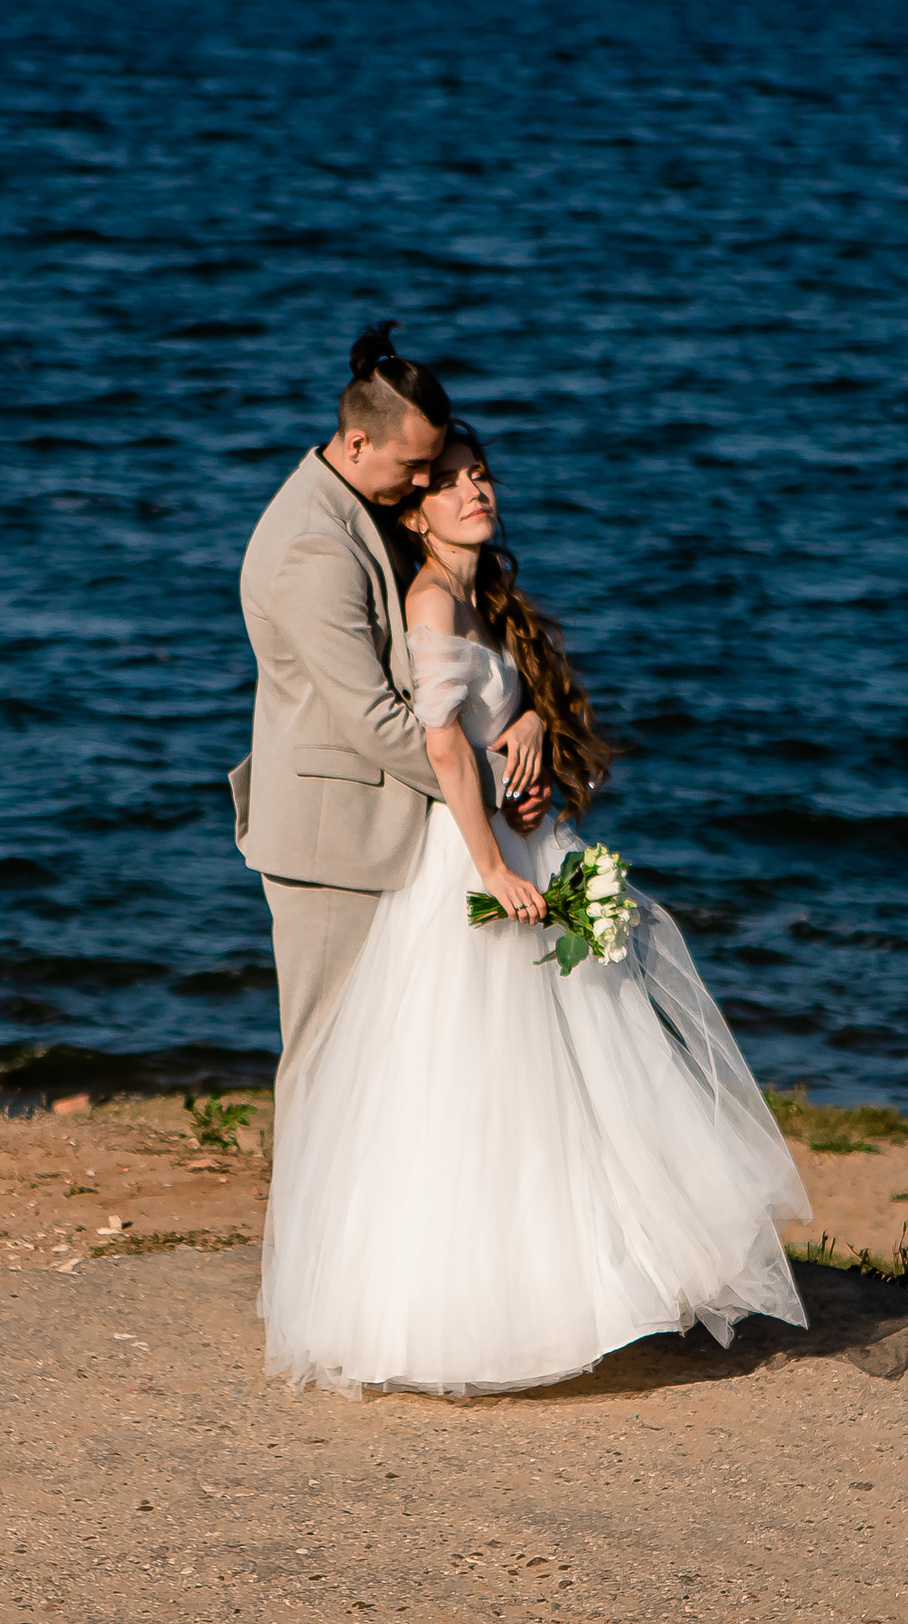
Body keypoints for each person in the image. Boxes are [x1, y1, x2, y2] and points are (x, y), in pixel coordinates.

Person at [256, 419, 810, 1397]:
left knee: (565, 1073)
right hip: (470, 860)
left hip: (507, 840)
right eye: (453, 481)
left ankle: (588, 1279)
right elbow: (436, 746)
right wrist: (492, 869)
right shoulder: (429, 597)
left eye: (482, 475)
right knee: (475, 1083)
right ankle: (472, 1307)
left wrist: (523, 726)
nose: (477, 491)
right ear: (416, 510)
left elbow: (475, 721)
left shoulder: (474, 604)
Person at [232, 325, 549, 1106]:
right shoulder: (315, 543)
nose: (419, 485)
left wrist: (527, 720)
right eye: (413, 467)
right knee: (326, 1059)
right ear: (356, 438)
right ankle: (308, 1235)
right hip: (331, 839)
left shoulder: (357, 503)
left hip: (385, 826)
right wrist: (497, 784)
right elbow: (376, 717)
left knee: (391, 1063)